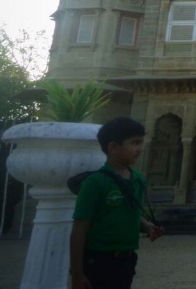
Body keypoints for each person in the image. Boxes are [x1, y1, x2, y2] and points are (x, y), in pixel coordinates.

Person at [70, 117, 164, 289]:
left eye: (140, 143)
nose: (140, 149)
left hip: (127, 259)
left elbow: (130, 213)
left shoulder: (137, 180)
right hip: (98, 259)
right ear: (113, 147)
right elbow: (79, 227)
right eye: (135, 143)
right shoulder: (96, 182)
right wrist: (77, 273)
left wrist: (147, 226)